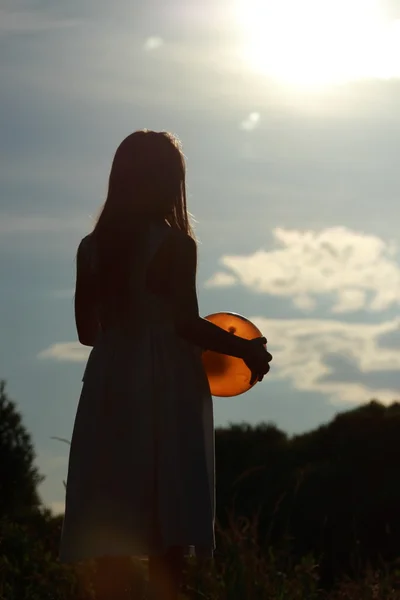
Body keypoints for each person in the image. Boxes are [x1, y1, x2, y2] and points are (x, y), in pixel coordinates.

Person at [58, 130, 272, 600]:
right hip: (164, 384)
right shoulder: (175, 245)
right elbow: (185, 324)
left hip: (110, 383)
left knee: (112, 517)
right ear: (170, 182)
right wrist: (247, 350)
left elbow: (86, 333)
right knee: (168, 516)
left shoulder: (91, 248)